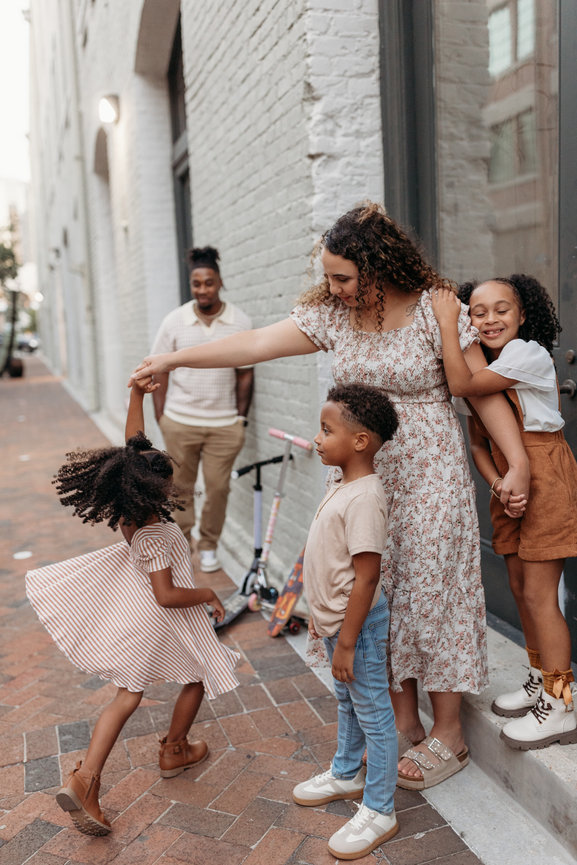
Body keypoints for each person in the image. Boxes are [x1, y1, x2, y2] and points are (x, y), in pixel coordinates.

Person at [130, 202, 531, 789]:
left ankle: (449, 731)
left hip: (429, 476)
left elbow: (482, 394)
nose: (333, 286)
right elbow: (254, 344)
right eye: (329, 275)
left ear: (377, 267)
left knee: (435, 592)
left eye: (343, 276)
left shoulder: (432, 311)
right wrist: (172, 357)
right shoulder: (335, 316)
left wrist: (516, 462)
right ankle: (402, 723)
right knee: (373, 593)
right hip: (362, 479)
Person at [25, 375, 240, 837]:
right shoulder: (158, 533)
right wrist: (208, 593)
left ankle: (98, 775)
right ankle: (160, 754)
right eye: (166, 478)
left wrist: (137, 396)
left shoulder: (130, 511)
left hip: (144, 614)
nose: (172, 481)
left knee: (130, 696)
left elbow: (131, 448)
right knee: (195, 674)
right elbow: (166, 595)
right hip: (159, 617)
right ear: (153, 489)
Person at [432, 275, 577, 750]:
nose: (490, 319)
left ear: (522, 315)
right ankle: (539, 676)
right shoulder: (494, 365)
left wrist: (447, 323)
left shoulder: (526, 356)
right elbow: (478, 440)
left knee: (540, 595)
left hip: (546, 475)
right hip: (506, 481)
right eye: (478, 311)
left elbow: (460, 382)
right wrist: (498, 483)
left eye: (501, 310)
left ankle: (561, 704)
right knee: (517, 586)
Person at [292, 383, 399, 859]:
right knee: (348, 702)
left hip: (359, 630)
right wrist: (322, 620)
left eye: (326, 429)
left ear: (360, 441)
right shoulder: (343, 485)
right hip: (338, 625)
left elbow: (367, 576)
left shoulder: (364, 497)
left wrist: (348, 642)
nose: (317, 438)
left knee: (375, 715)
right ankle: (345, 773)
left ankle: (380, 808)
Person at [151, 245, 254, 572]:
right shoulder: (174, 321)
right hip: (180, 422)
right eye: (196, 284)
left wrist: (240, 418)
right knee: (180, 488)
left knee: (218, 488)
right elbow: (159, 370)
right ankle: (183, 545)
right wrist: (162, 417)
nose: (203, 289)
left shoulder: (239, 321)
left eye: (209, 282)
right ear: (191, 285)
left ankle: (209, 544)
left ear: (219, 281)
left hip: (224, 425)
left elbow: (246, 373)